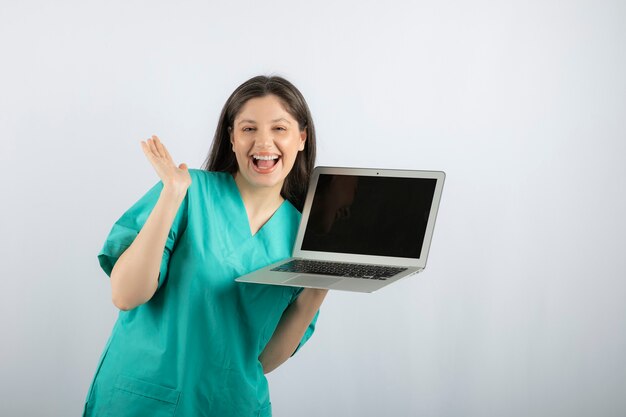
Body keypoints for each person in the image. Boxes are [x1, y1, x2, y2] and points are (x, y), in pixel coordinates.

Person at [82, 75, 328, 417]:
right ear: (231, 137)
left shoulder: (304, 238)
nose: (264, 142)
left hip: (232, 405)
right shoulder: (187, 192)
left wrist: (318, 288)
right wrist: (171, 194)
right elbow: (125, 294)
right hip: (144, 400)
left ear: (301, 137)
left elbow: (263, 360)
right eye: (248, 129)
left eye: (279, 129)